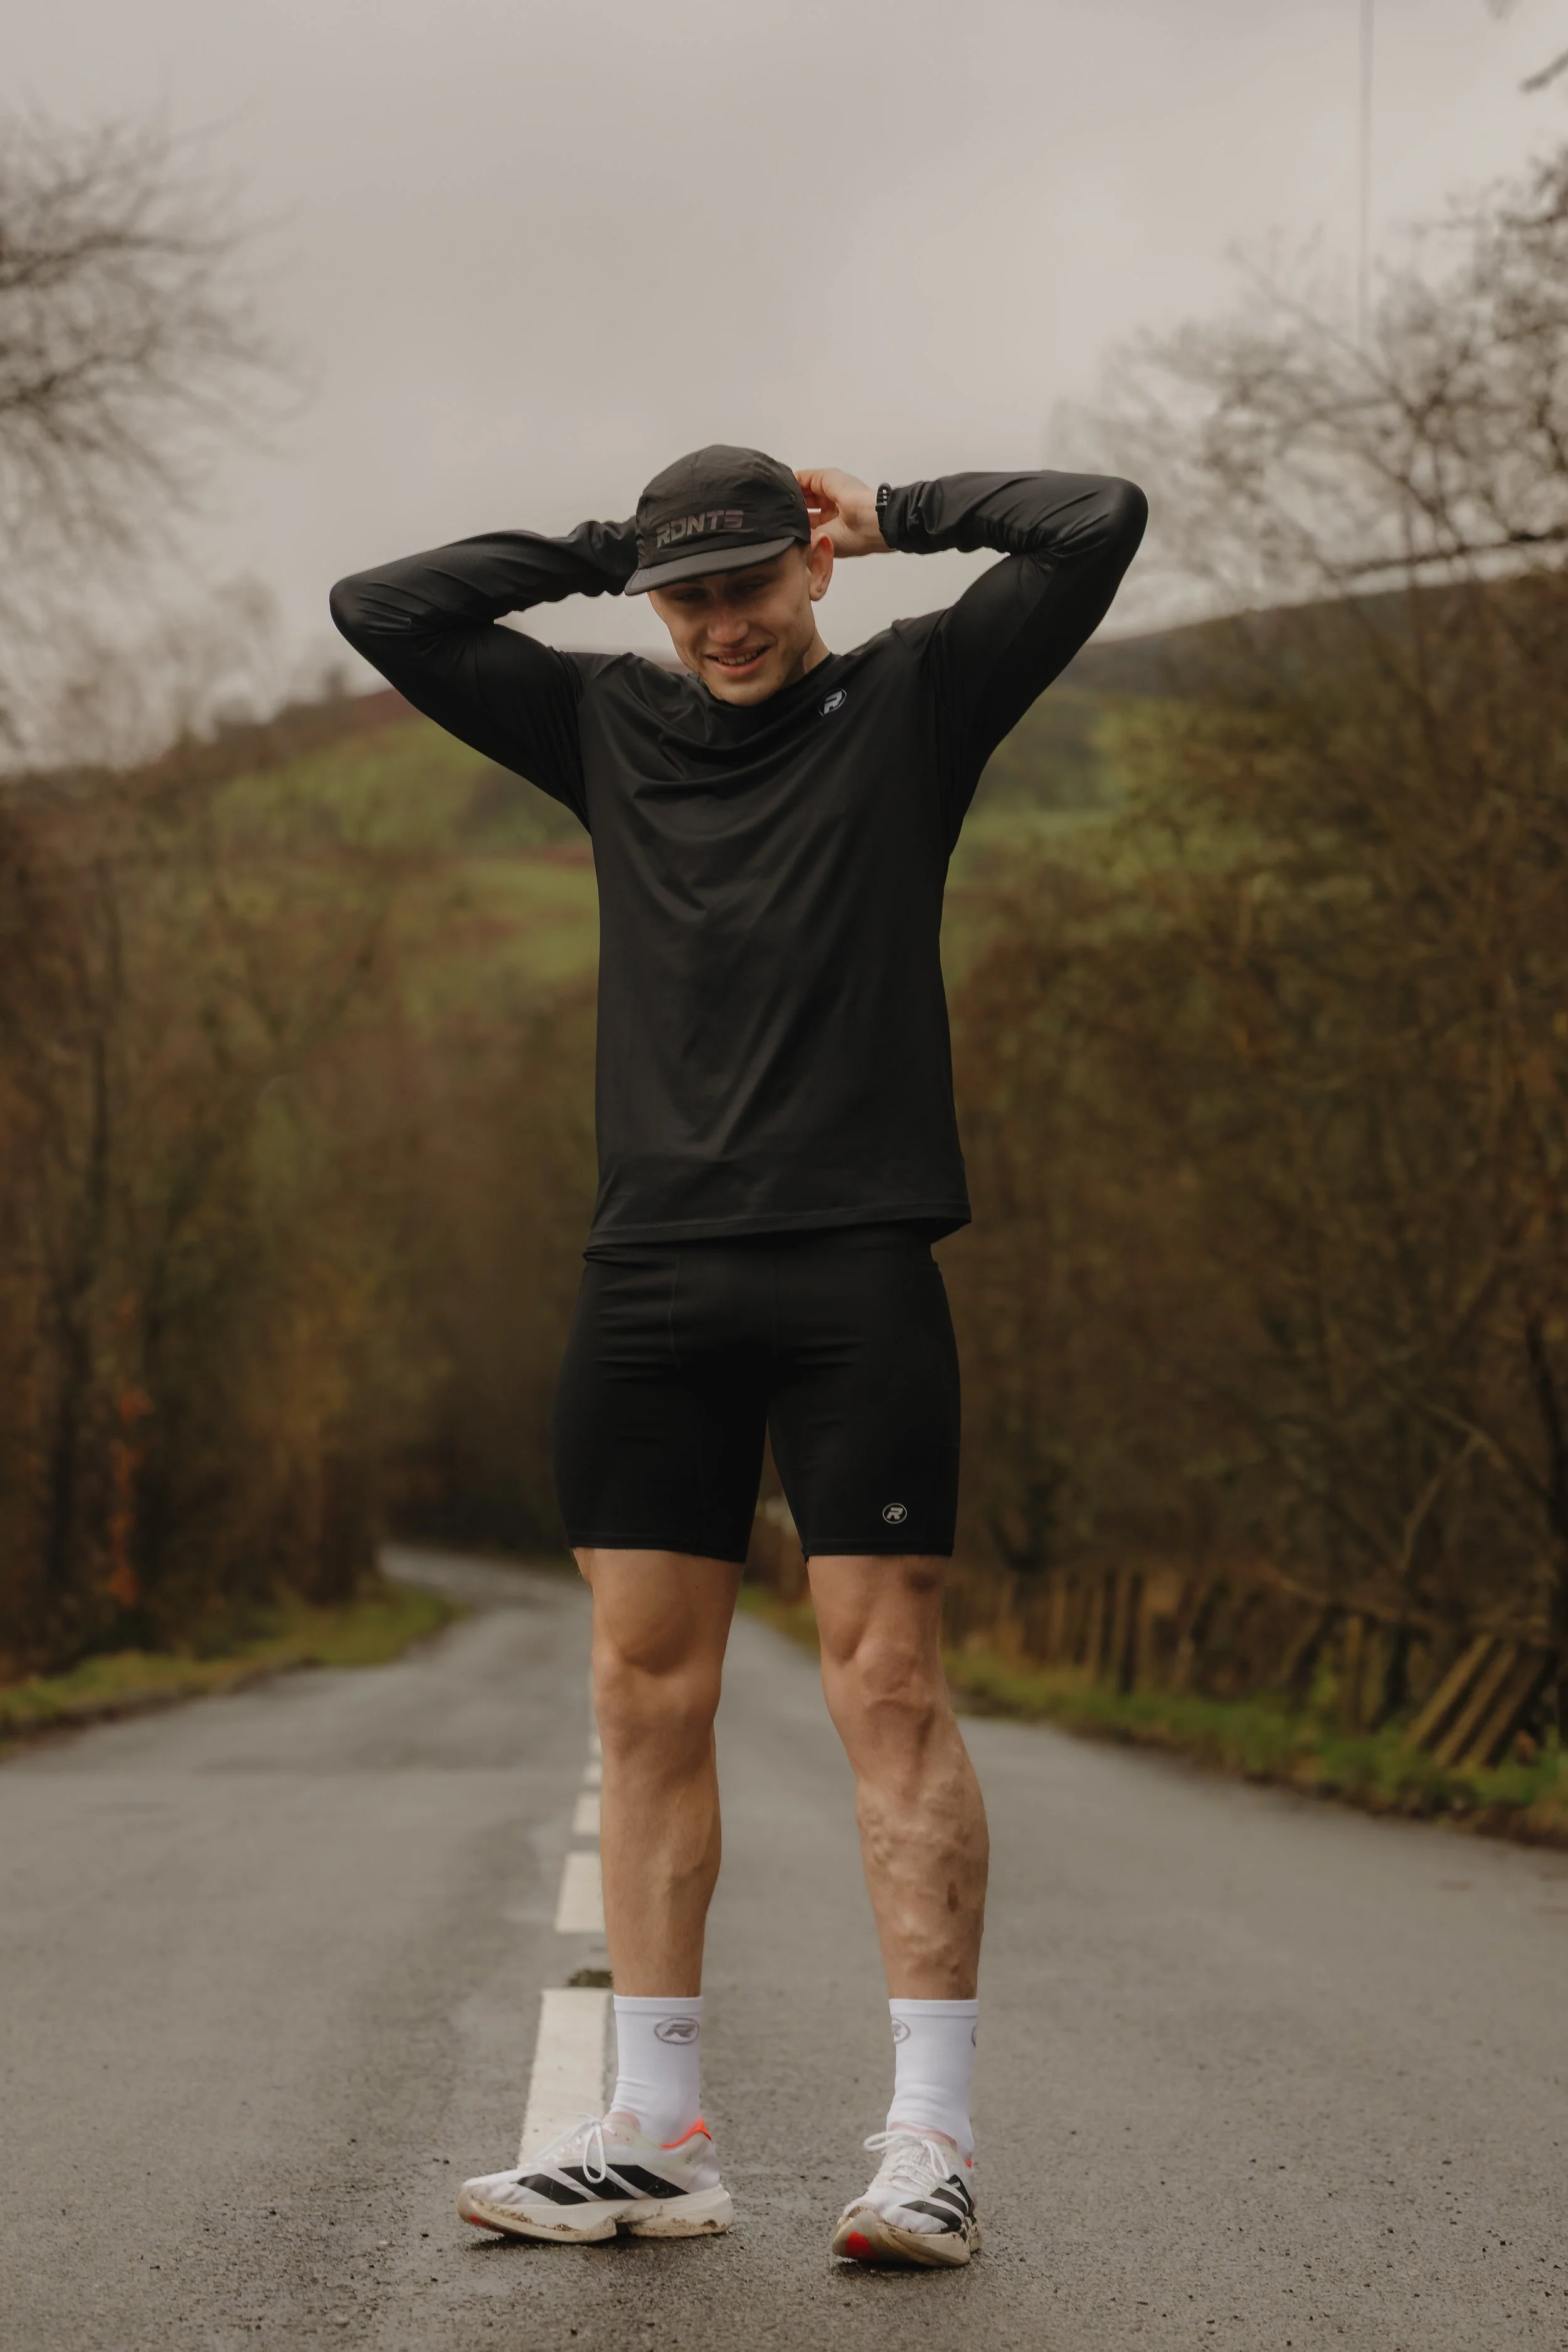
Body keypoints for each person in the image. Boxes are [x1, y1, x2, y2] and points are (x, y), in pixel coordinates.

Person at [329, 447, 1145, 2266]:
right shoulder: (602, 723)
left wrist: (894, 509)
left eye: (749, 585)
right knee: (640, 1699)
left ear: (811, 572)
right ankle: (654, 2131)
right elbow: (379, 606)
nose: (721, 626)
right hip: (647, 1285)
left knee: (884, 1686)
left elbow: (1095, 524)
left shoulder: (917, 697)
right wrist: (624, 549)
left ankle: (924, 2144)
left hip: (856, 1266)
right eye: (688, 598)